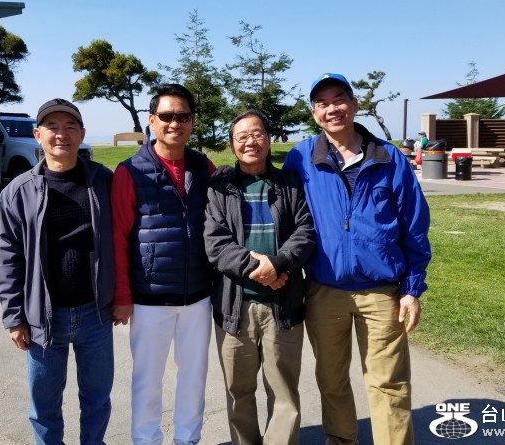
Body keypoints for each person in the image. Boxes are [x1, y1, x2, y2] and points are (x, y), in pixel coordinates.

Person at [284, 73, 431, 445]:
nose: (332, 109)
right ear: (314, 113)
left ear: (354, 103)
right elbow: (284, 210)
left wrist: (412, 289)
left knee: (388, 383)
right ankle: (341, 440)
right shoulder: (302, 157)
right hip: (324, 289)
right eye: (322, 103)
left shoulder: (389, 157)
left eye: (339, 99)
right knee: (331, 380)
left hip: (381, 291)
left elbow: (414, 225)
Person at [0, 98, 115, 445]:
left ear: (82, 134)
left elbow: (124, 238)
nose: (62, 134)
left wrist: (121, 296)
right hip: (42, 318)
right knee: (44, 407)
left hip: (95, 315)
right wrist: (14, 317)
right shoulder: (17, 192)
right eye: (52, 127)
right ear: (38, 135)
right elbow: (8, 259)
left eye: (70, 126)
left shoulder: (103, 181)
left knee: (97, 399)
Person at [111, 84, 215, 445]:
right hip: (149, 298)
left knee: (194, 377)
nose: (175, 123)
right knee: (147, 380)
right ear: (152, 121)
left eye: (183, 116)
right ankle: (146, 440)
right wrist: (122, 296)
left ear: (192, 122)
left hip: (198, 295)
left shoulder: (204, 166)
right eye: (167, 116)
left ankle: (188, 439)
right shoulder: (130, 171)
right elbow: (118, 237)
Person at [204, 109, 316, 445]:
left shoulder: (290, 184)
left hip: (283, 305)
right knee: (238, 392)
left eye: (257, 134)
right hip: (234, 307)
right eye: (242, 136)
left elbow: (306, 231)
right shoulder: (219, 188)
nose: (250, 142)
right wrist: (264, 271)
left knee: (283, 391)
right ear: (232, 144)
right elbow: (216, 243)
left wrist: (280, 263)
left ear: (268, 139)